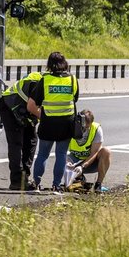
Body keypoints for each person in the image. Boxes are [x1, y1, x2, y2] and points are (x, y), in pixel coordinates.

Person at [27, 52, 79, 192]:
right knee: (61, 154)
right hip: (67, 123)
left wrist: (41, 116)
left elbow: (32, 104)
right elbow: (75, 98)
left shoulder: (45, 80)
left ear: (49, 64)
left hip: (48, 123)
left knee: (43, 154)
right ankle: (56, 185)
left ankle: (36, 182)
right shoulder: (73, 80)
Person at [0, 71, 42, 191]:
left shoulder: (50, 84)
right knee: (16, 143)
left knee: (31, 141)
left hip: (24, 110)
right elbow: (32, 106)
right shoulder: (40, 83)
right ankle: (17, 181)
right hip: (9, 106)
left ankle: (24, 178)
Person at [65, 109, 111, 192]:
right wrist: (67, 161)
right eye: (83, 127)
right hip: (75, 160)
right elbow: (62, 150)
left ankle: (98, 185)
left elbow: (94, 153)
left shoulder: (96, 129)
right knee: (63, 162)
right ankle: (79, 179)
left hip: (90, 162)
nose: (85, 130)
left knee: (106, 151)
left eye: (87, 127)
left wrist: (82, 166)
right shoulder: (70, 127)